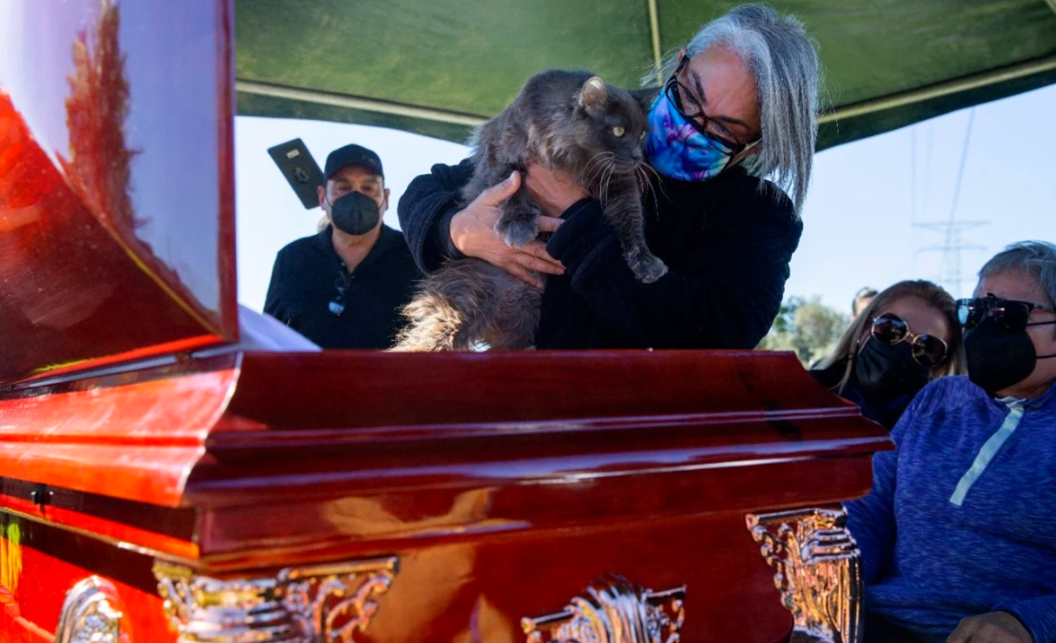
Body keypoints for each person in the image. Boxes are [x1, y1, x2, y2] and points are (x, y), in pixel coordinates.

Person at [398, 4, 820, 349]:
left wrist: (576, 215)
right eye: (689, 94)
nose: (689, 124)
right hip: (498, 377)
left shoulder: (759, 216)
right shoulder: (606, 122)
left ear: (756, 145)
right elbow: (427, 191)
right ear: (679, 63)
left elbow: (716, 328)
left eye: (723, 129)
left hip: (617, 422)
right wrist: (455, 228)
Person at [848, 241, 1056, 643]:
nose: (986, 327)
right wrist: (835, 586)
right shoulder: (937, 399)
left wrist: (1030, 623)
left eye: (1008, 315)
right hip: (876, 623)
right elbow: (869, 510)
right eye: (976, 312)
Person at [264, 144, 419, 349]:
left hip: (389, 381)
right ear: (322, 197)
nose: (356, 197)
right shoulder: (292, 258)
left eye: (368, 188)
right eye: (343, 188)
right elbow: (267, 339)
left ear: (386, 198)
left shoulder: (416, 259)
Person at [811, 280, 964, 430]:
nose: (903, 346)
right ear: (865, 327)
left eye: (926, 346)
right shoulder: (804, 395)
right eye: (891, 329)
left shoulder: (947, 433)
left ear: (939, 365)